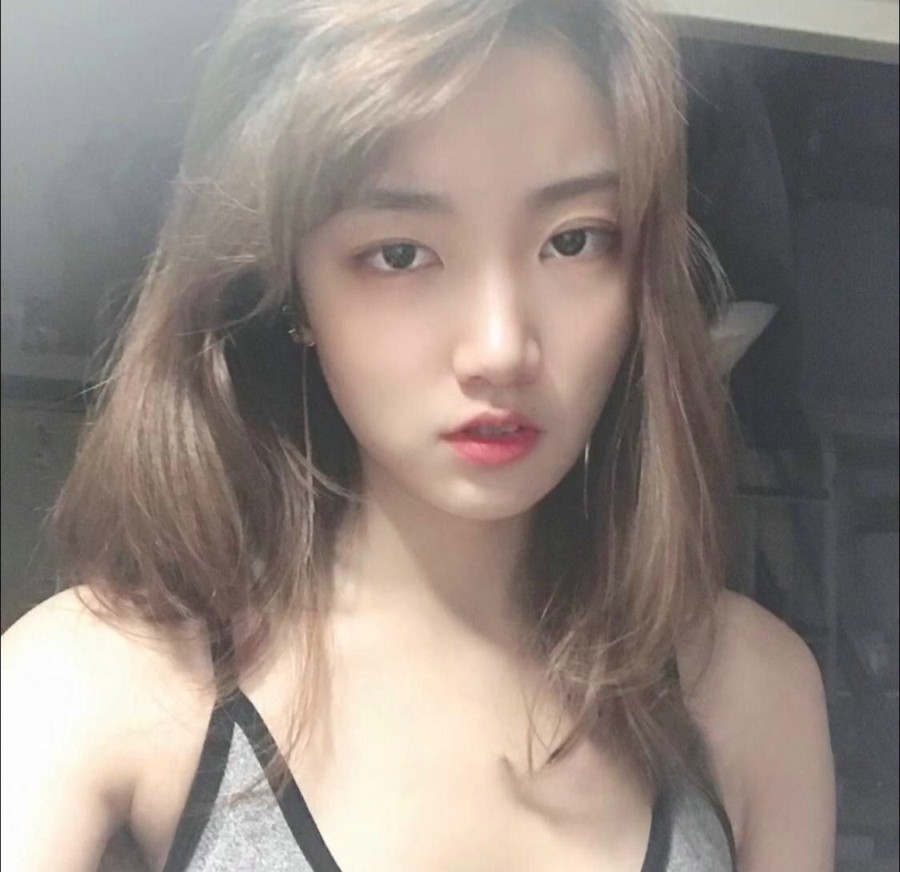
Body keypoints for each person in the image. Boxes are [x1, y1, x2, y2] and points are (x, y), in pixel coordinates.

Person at [0, 1, 835, 870]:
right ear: (290, 288)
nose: (501, 348)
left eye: (574, 241)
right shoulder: (93, 688)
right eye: (400, 253)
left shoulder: (749, 694)